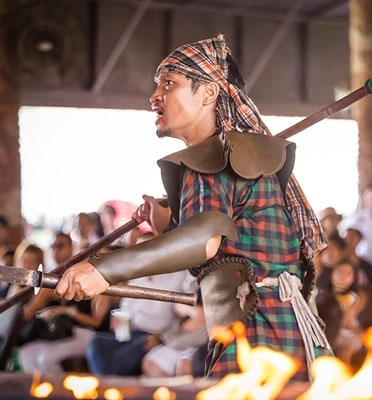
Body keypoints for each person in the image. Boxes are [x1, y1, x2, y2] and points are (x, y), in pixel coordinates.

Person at [55, 34, 329, 381]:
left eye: (169, 83)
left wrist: (102, 269)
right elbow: (227, 238)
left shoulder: (211, 155)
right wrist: (169, 226)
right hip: (277, 330)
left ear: (209, 93)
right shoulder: (232, 153)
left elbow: (204, 239)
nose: (155, 95)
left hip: (258, 336)